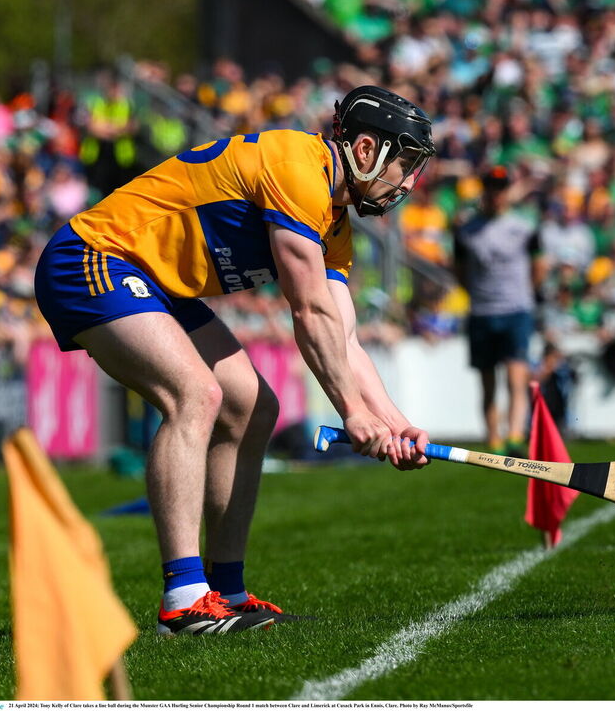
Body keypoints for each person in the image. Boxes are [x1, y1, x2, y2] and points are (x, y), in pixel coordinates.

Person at [34, 85, 437, 635]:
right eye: (406, 164)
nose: (411, 182)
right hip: (93, 257)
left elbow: (344, 336)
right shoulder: (298, 170)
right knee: (196, 394)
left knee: (253, 407)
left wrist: (394, 423)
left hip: (158, 284)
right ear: (366, 150)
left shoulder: (333, 218)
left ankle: (226, 592)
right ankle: (182, 598)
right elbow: (309, 311)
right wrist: (353, 412)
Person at [453, 166, 545, 457]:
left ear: (507, 192)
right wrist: (476, 293)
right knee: (487, 379)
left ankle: (515, 434)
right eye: (492, 187)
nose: (496, 194)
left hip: (516, 309)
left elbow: (539, 265)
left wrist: (523, 291)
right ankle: (493, 438)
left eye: (501, 188)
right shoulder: (466, 230)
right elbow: (458, 270)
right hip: (482, 310)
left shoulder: (524, 227)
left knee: (516, 376)